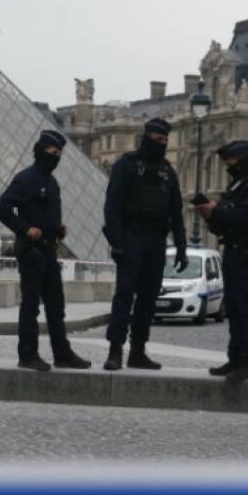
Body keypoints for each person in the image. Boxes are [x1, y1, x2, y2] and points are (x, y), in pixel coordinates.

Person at [0, 130, 92, 372]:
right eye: (52, 151)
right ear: (40, 151)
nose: (56, 157)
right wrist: (24, 229)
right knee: (31, 306)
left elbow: (45, 215)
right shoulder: (26, 178)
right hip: (32, 252)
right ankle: (28, 355)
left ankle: (62, 354)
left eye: (59, 153)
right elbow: (1, 207)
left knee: (56, 307)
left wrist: (58, 230)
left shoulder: (52, 182)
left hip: (49, 250)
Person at [102, 118, 188, 371]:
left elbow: (176, 212)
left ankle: (138, 350)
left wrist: (181, 246)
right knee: (124, 295)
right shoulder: (127, 165)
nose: (162, 144)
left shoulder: (168, 172)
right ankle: (115, 350)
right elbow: (112, 206)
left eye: (165, 140)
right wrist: (117, 243)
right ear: (147, 137)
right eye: (158, 139)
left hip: (156, 240)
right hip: (132, 236)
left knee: (148, 298)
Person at [194, 140, 248, 381]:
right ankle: (234, 357)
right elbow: (224, 223)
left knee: (246, 307)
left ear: (241, 159)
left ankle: (247, 362)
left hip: (247, 251)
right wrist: (209, 215)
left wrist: (216, 211)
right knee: (234, 306)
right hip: (232, 248)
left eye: (230, 161)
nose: (227, 166)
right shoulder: (238, 184)